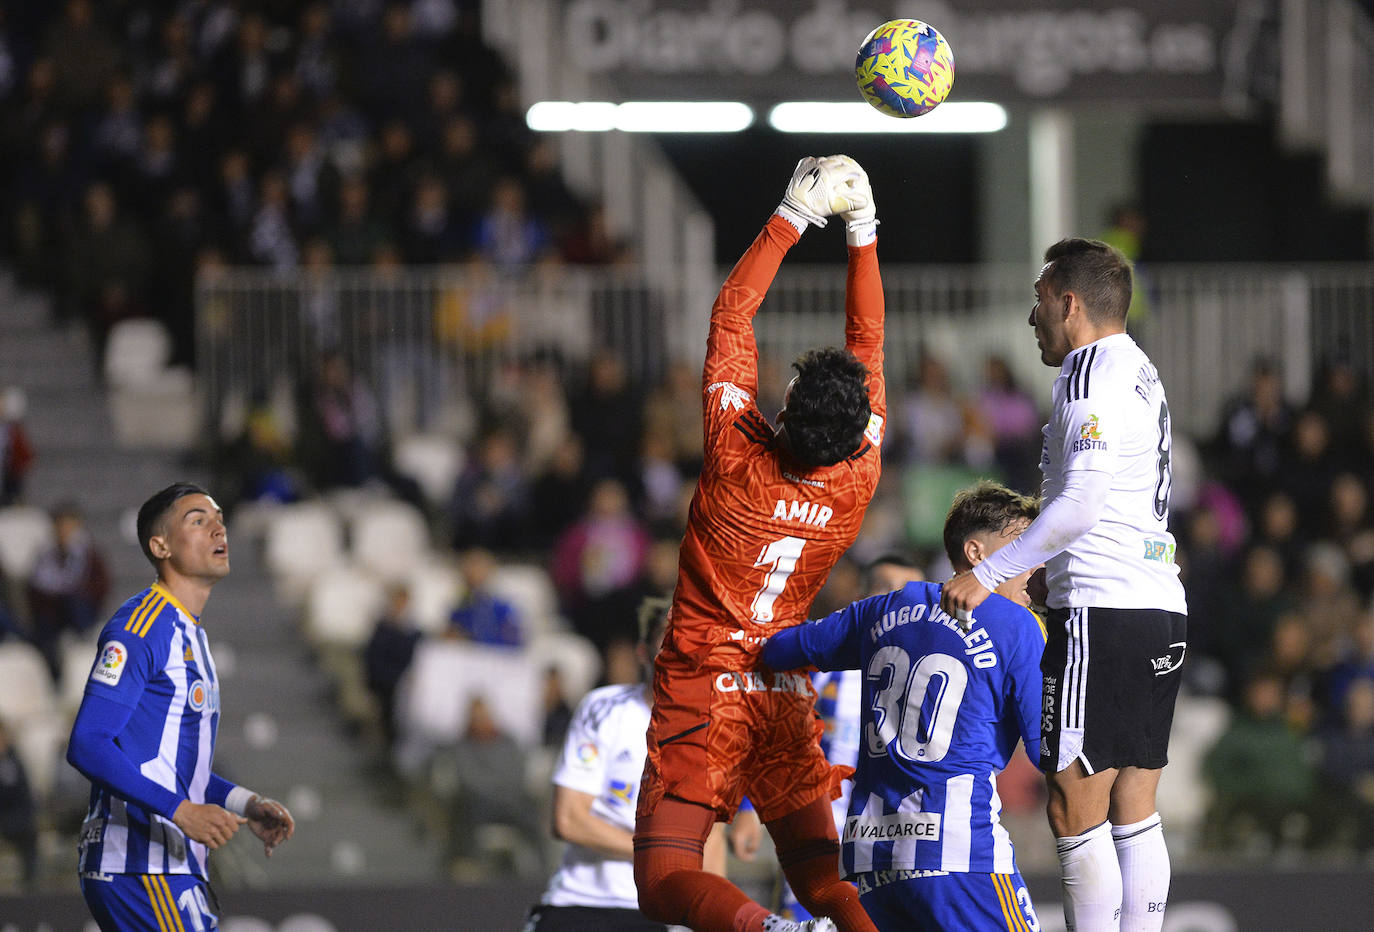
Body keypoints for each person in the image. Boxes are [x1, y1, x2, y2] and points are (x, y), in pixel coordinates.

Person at [632, 155, 886, 932]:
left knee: (667, 876)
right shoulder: (858, 478)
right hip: (782, 687)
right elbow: (868, 344)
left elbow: (731, 318)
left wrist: (791, 216)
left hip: (704, 681)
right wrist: (864, 235)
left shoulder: (736, 454)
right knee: (824, 883)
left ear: (784, 404)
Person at [942, 238, 1188, 932]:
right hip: (1159, 607)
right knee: (1135, 806)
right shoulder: (1142, 371)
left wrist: (988, 573)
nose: (1031, 316)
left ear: (1069, 303)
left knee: (1073, 808)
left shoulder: (1089, 376)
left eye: (1039, 300)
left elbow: (1079, 504)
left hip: (1103, 613)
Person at [763, 481, 1045, 931]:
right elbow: (1047, 749)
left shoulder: (877, 611)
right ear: (975, 553)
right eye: (1021, 547)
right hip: (958, 853)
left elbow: (778, 650)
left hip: (873, 861)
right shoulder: (1017, 624)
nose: (1037, 562)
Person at [66, 483, 295, 931]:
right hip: (141, 865)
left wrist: (246, 803)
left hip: (165, 866)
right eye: (198, 520)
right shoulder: (140, 626)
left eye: (219, 518)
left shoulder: (191, 635)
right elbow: (87, 744)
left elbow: (170, 765)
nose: (217, 528)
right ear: (160, 545)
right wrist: (181, 811)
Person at [528, 597, 740, 931]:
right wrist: (661, 853)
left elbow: (710, 841)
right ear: (644, 653)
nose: (680, 644)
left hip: (659, 914)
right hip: (582, 903)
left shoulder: (721, 730)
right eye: (668, 635)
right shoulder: (606, 708)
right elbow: (568, 819)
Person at [778, 553, 925, 922]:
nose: (895, 601)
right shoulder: (822, 659)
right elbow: (779, 733)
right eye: (884, 588)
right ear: (861, 593)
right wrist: (749, 810)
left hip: (899, 828)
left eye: (906, 592)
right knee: (810, 919)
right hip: (824, 822)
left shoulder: (930, 675)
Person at [27, 503, 111, 682]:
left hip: (80, 613)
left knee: (73, 600)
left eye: (70, 525)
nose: (65, 531)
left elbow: (101, 587)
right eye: (61, 525)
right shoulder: (45, 555)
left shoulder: (89, 555)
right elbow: (36, 589)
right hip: (52, 618)